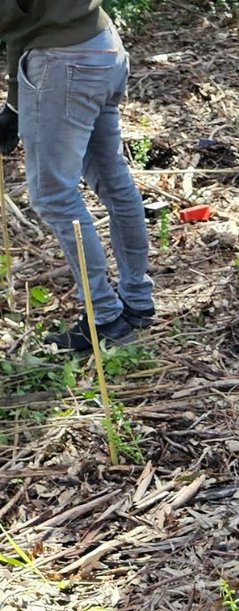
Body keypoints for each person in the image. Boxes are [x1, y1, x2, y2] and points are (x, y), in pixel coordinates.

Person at [0, 0, 154, 352]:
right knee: (113, 181)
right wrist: (14, 102)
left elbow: (13, 18)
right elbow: (26, 23)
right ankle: (137, 299)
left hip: (65, 61)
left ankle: (104, 317)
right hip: (102, 45)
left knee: (53, 195)